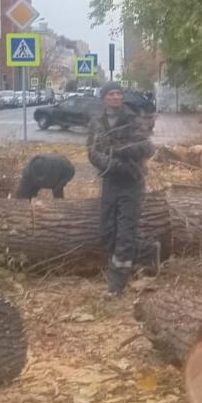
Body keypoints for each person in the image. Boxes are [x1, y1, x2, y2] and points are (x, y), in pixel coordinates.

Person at [88, 81, 159, 296]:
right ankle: (148, 251)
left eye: (119, 93)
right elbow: (92, 151)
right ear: (104, 98)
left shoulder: (132, 120)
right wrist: (111, 163)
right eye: (111, 94)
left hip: (131, 181)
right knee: (107, 233)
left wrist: (120, 152)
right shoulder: (96, 122)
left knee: (125, 234)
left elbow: (147, 147)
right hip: (110, 180)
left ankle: (116, 285)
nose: (116, 97)